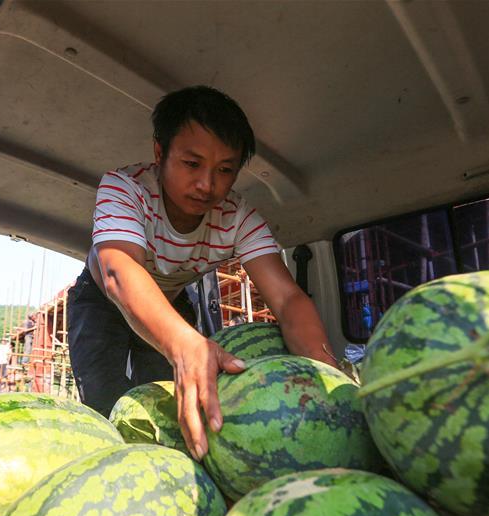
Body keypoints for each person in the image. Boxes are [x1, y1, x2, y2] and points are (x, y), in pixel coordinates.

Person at [68, 86, 337, 461]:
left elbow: (288, 299)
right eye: (192, 164)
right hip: (99, 301)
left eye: (225, 170)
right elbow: (119, 270)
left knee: (167, 408)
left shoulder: (238, 218)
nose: (207, 185)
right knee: (105, 403)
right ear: (160, 153)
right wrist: (183, 343)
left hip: (171, 303)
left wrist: (326, 376)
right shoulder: (124, 188)